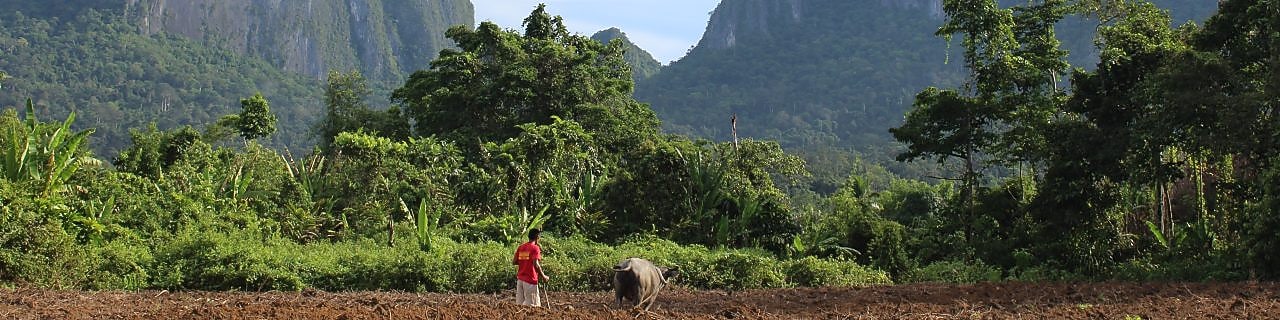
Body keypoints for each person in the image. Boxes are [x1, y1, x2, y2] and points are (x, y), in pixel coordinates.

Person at [513, 228, 549, 306]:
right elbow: (536, 264)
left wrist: (524, 262)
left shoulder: (521, 247)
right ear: (537, 237)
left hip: (520, 281)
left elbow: (514, 261)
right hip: (530, 281)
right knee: (533, 308)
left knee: (519, 307)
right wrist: (543, 276)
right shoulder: (535, 248)